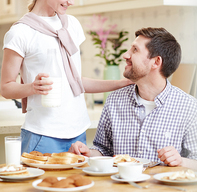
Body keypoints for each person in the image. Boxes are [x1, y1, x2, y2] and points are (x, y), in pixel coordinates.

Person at [0, 0, 131, 154]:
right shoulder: (20, 33)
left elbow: (76, 82)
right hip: (42, 135)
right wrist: (33, 87)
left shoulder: (72, 25)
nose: (71, 1)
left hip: (78, 132)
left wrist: (121, 83)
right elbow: (6, 88)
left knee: (76, 185)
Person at [69, 27, 197, 169]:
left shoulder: (189, 107)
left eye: (135, 50)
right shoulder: (115, 101)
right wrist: (87, 153)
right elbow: (103, 150)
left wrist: (180, 161)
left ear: (156, 62)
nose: (126, 55)